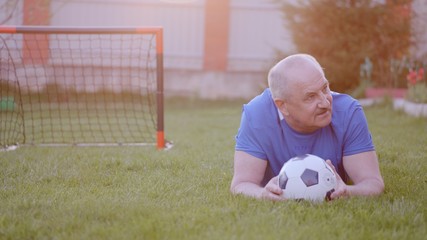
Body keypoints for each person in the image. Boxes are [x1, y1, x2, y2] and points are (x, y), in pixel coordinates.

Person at [230, 54, 384, 201]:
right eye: (310, 97)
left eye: (325, 88)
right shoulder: (257, 115)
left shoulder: (348, 112)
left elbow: (372, 183)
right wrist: (263, 194)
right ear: (282, 106)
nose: (325, 103)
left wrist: (347, 191)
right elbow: (241, 184)